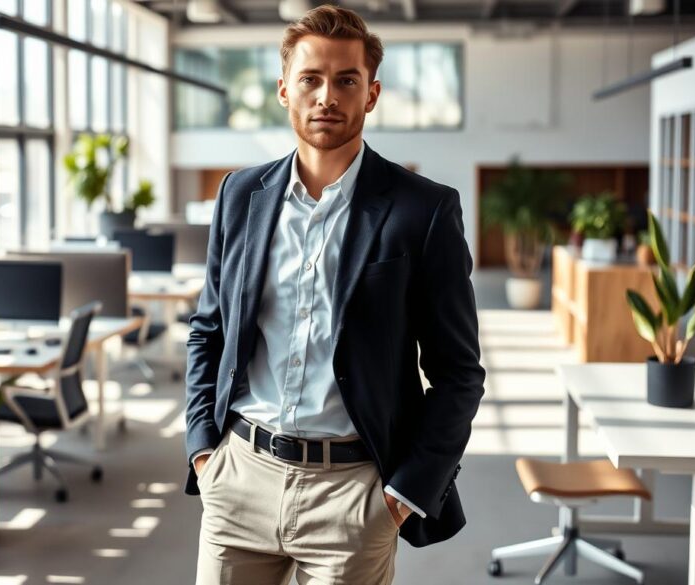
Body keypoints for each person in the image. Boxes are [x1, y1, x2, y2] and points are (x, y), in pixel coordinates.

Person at [184, 5, 485, 584]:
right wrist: (204, 450)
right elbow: (210, 327)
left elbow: (458, 373)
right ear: (283, 90)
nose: (327, 95)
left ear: (371, 94)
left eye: (346, 80)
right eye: (310, 79)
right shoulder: (239, 195)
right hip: (239, 477)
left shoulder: (422, 210)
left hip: (354, 493)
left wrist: (402, 495)